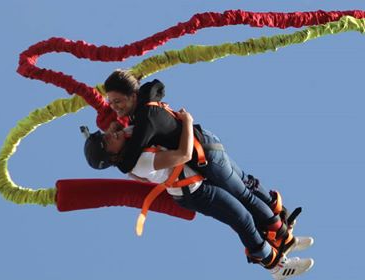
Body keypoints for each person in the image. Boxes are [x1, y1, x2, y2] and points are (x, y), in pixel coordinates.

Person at [82, 108, 314, 279]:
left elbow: (117, 126)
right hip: (193, 192)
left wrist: (112, 121)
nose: (108, 136)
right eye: (105, 143)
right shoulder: (138, 162)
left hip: (196, 180)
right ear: (112, 157)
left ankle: (281, 239)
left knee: (245, 192)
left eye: (103, 136)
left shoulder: (129, 138)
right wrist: (187, 122)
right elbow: (182, 154)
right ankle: (274, 266)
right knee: (241, 217)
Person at [94, 69, 299, 251]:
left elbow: (128, 161)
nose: (114, 108)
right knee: (246, 184)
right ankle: (280, 218)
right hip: (208, 145)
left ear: (132, 96)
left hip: (206, 156)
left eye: (118, 102)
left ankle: (281, 237)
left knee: (244, 196)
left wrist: (111, 158)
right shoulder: (143, 109)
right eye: (111, 103)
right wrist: (116, 128)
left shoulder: (146, 117)